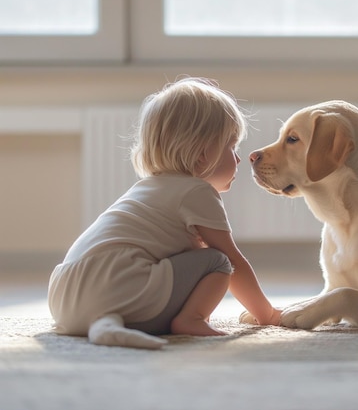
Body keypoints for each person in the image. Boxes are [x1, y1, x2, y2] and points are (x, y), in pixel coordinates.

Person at [48, 77, 281, 349]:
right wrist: (268, 314)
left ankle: (108, 323)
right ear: (203, 153)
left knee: (193, 260)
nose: (239, 159)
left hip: (66, 300)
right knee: (218, 261)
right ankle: (192, 319)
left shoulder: (145, 189)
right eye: (232, 146)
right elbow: (233, 262)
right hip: (115, 288)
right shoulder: (197, 192)